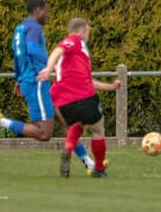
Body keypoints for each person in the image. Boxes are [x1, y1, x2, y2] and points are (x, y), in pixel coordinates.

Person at [0, 0, 97, 172]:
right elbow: (32, 50)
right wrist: (53, 65)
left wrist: (18, 78)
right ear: (37, 11)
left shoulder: (21, 28)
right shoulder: (34, 27)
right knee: (44, 134)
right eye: (45, 11)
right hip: (37, 83)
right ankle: (1, 122)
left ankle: (88, 162)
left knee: (66, 121)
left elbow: (18, 55)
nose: (47, 15)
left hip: (32, 80)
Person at [38, 17, 118, 179]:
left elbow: (88, 80)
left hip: (64, 102)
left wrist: (110, 87)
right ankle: (99, 169)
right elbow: (58, 50)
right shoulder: (75, 41)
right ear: (82, 31)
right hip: (83, 96)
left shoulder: (73, 60)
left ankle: (67, 150)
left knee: (79, 124)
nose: (88, 35)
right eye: (88, 31)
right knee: (98, 129)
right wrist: (47, 69)